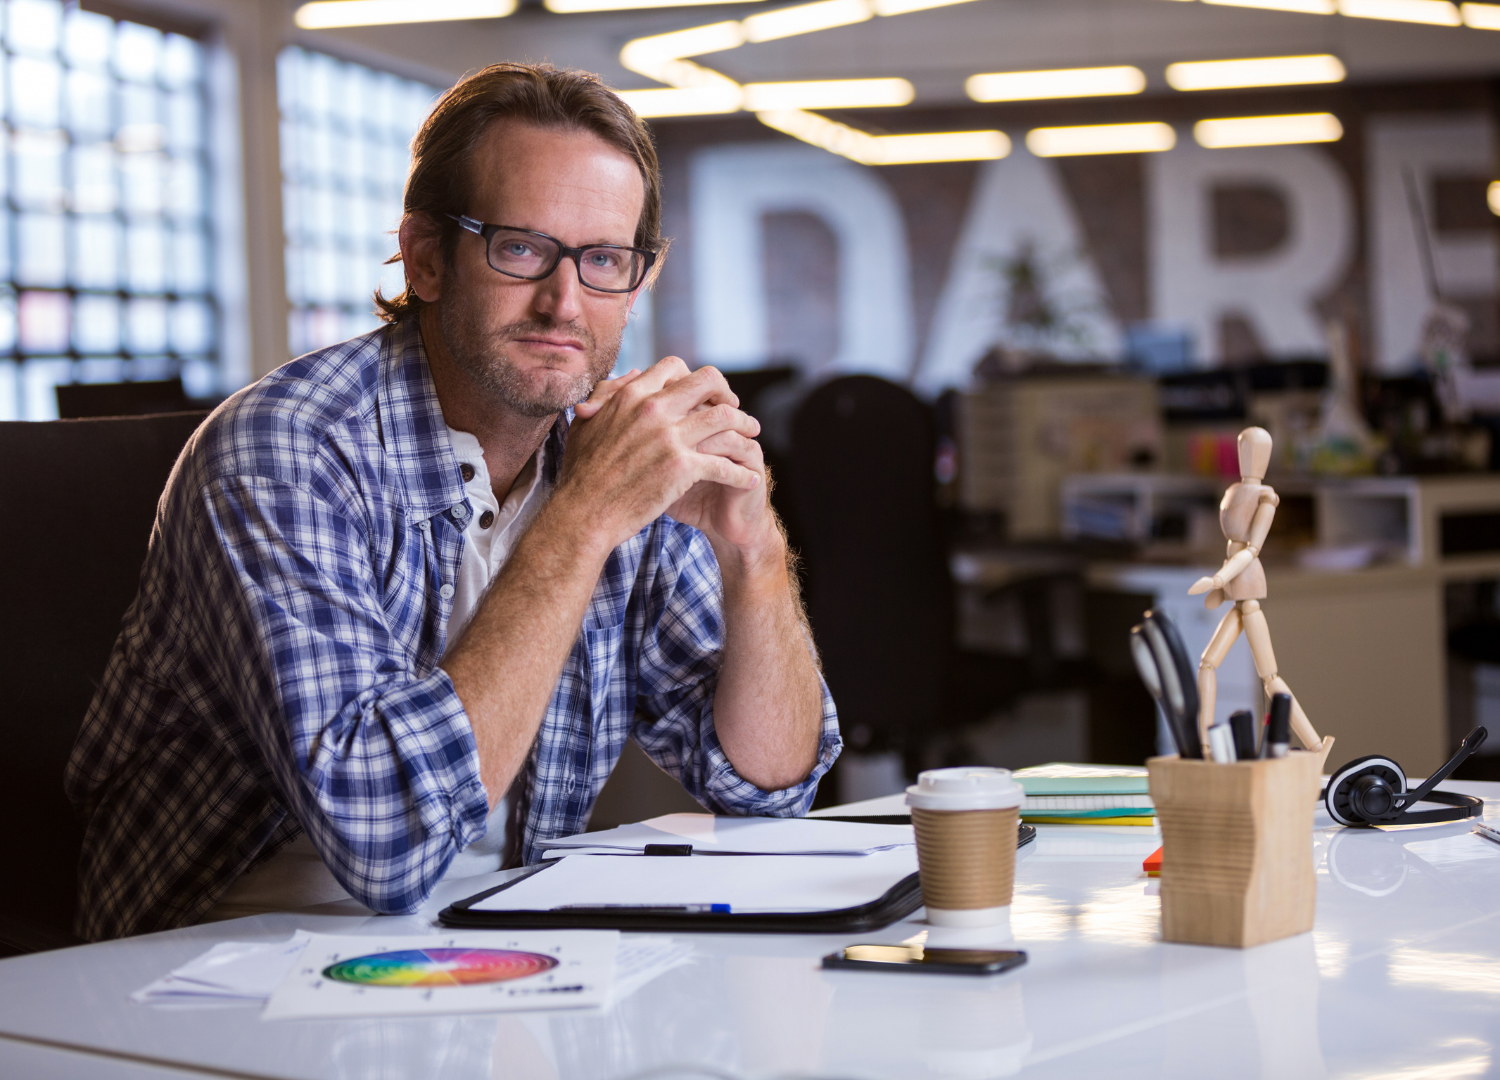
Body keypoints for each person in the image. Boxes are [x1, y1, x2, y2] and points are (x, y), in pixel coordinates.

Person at [65, 62, 840, 941]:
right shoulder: (287, 450)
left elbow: (769, 787)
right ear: (427, 258)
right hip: (208, 965)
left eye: (603, 261)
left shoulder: (613, 449)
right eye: (520, 247)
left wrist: (755, 552)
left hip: (492, 950)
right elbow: (386, 846)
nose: (564, 301)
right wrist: (579, 520)